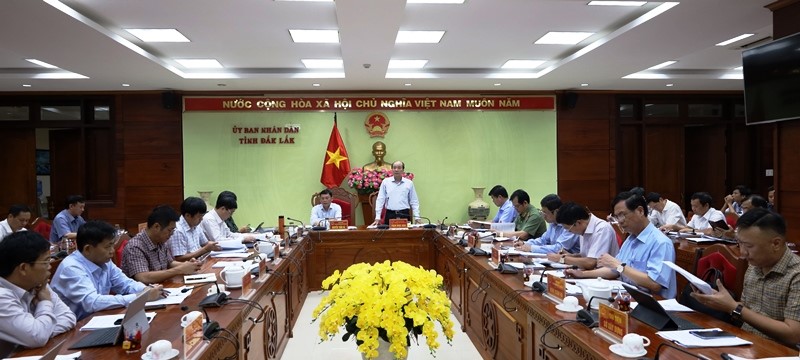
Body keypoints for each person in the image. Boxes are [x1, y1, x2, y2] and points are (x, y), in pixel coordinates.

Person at [691, 209, 800, 346]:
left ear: (776, 244)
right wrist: (719, 300)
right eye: (739, 244)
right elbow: (748, 310)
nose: (742, 253)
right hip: (745, 342)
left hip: (778, 350)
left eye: (748, 246)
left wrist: (733, 307)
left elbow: (793, 334)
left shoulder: (796, 274)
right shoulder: (755, 266)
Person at [566, 191, 677, 298]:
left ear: (640, 211)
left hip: (654, 303)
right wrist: (583, 274)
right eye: (617, 217)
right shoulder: (630, 239)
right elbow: (615, 270)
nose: (620, 221)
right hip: (629, 297)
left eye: (622, 215)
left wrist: (618, 265)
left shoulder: (661, 242)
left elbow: (655, 284)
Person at [51, 221, 163, 320]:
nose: (112, 251)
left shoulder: (104, 261)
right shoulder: (71, 268)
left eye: (112, 245)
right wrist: (141, 297)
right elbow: (92, 302)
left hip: (97, 319)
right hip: (73, 330)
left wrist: (146, 289)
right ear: (88, 249)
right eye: (107, 247)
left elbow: (125, 284)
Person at [0, 231, 76, 357]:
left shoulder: (37, 283)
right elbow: (37, 337)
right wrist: (45, 302)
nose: (50, 267)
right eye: (46, 262)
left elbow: (69, 317)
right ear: (23, 268)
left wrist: (43, 331)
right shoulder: (2, 297)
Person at [121, 205, 202, 284]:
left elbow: (169, 263)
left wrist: (188, 265)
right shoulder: (135, 247)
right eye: (170, 230)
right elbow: (143, 277)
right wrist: (180, 269)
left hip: (162, 286)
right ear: (156, 227)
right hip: (144, 291)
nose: (172, 234)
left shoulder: (161, 241)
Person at [546, 202, 618, 269]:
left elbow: (591, 263)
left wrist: (561, 259)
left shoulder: (602, 229)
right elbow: (585, 255)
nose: (569, 231)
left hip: (606, 274)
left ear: (578, 223)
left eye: (568, 229)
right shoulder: (584, 228)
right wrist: (570, 256)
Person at [513, 194, 580, 255]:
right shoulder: (553, 223)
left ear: (556, 212)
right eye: (542, 212)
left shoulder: (569, 225)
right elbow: (543, 240)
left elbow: (559, 248)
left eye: (545, 212)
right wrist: (525, 243)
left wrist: (531, 248)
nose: (543, 216)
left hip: (572, 261)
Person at [169, 197, 220, 262]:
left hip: (200, 261)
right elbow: (179, 258)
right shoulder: (178, 231)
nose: (201, 219)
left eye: (202, 216)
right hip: (188, 265)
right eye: (199, 216)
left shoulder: (196, 225)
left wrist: (217, 245)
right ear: (188, 215)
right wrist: (205, 249)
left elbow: (205, 243)